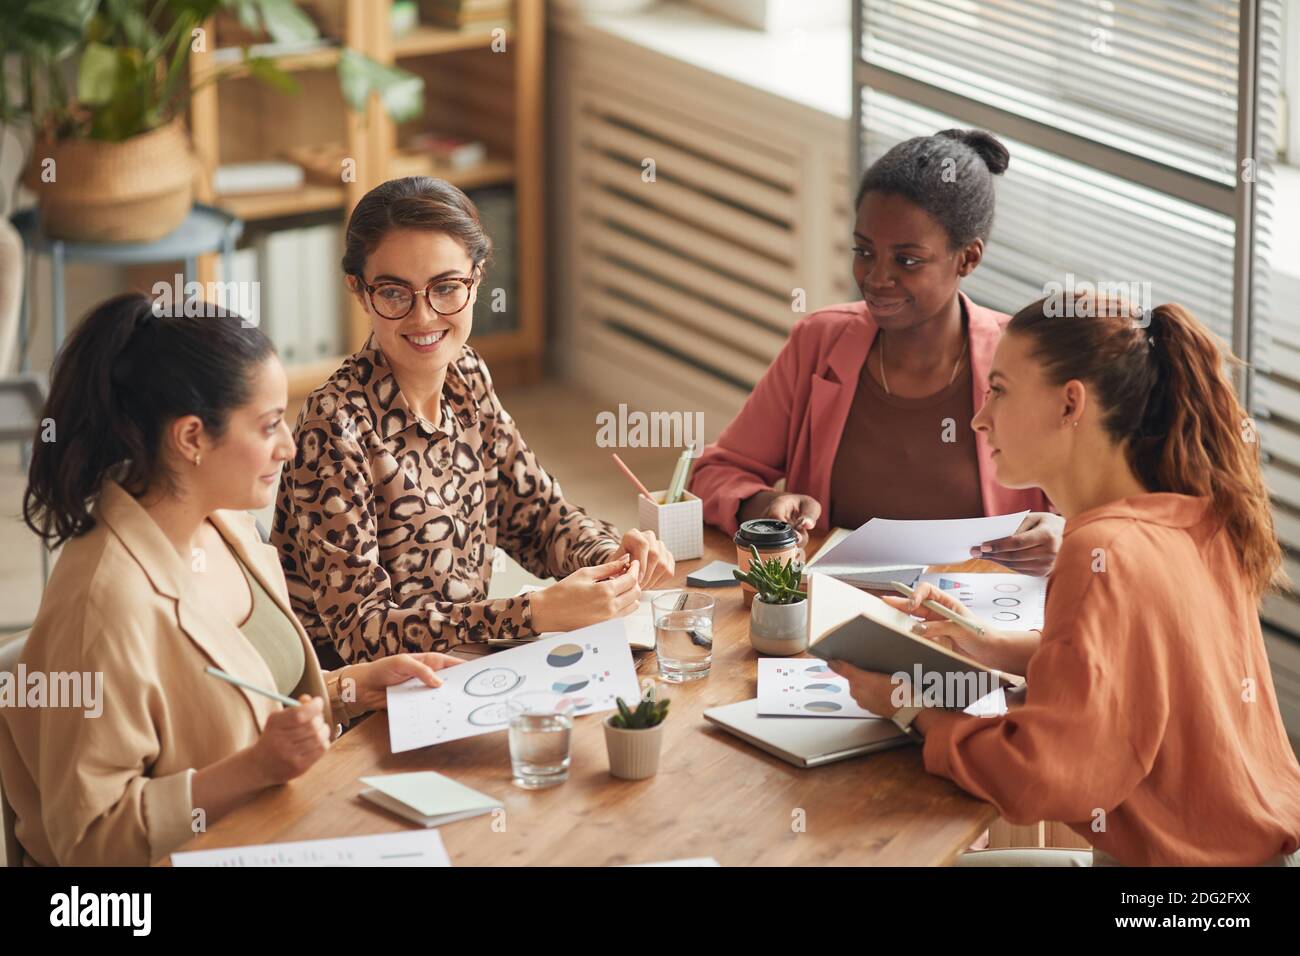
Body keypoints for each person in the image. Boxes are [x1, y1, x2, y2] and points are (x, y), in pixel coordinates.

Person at [831, 292, 1300, 866]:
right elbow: (1141, 670)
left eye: (999, 390)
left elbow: (1043, 777)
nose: (979, 418)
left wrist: (908, 708)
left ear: (1070, 404)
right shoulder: (1195, 515)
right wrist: (988, 644)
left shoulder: (1103, 549)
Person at [0, 293, 461, 866]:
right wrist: (253, 770)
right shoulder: (104, 606)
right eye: (269, 426)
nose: (289, 447)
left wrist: (352, 688)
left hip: (281, 827)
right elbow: (89, 841)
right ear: (191, 438)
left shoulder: (228, 525)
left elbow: (247, 690)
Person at [272, 177, 675, 666]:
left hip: (468, 667)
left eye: (445, 288)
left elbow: (538, 518)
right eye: (395, 293)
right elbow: (362, 635)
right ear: (358, 291)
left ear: (477, 279)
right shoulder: (332, 427)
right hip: (367, 709)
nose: (424, 317)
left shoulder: (466, 374)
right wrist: (533, 613)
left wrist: (611, 558)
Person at [689, 129, 1059, 574]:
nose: (876, 278)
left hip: (977, 624)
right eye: (864, 251)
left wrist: (1065, 533)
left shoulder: (1027, 361)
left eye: (907, 260)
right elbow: (713, 473)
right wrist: (763, 502)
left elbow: (1118, 517)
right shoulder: (819, 342)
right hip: (832, 609)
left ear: (967, 258)